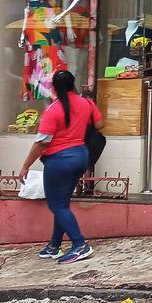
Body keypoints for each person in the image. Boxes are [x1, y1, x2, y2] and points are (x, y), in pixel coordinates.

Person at [18, 69, 102, 263]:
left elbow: (42, 142)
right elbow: (99, 125)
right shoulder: (86, 103)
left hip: (59, 161)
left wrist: (25, 166)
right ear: (73, 84)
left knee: (56, 205)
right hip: (81, 156)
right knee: (61, 204)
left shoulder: (53, 110)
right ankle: (54, 246)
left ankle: (80, 245)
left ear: (54, 88)